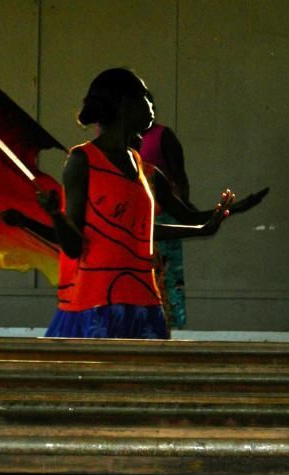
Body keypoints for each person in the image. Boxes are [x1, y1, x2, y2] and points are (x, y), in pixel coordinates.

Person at [26, 68, 236, 339]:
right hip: (96, 304)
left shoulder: (139, 164)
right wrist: (55, 214)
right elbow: (74, 246)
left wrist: (203, 228)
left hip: (144, 301)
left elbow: (139, 232)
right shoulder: (83, 160)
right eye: (144, 97)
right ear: (124, 104)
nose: (151, 105)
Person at [138, 98, 268, 330]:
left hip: (159, 236)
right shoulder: (93, 163)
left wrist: (226, 211)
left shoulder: (151, 171)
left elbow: (181, 209)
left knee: (160, 302)